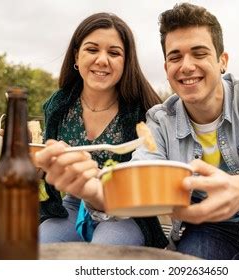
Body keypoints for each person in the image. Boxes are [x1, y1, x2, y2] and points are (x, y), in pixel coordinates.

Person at [37, 3, 239, 259]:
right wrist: (94, 191)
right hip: (206, 228)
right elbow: (139, 175)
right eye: (175, 56)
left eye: (199, 53)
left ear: (222, 61)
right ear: (166, 66)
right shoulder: (159, 120)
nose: (186, 66)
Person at [37, 12, 168, 248]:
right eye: (92, 49)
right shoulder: (58, 105)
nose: (102, 60)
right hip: (74, 204)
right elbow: (49, 179)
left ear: (126, 61)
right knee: (41, 245)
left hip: (125, 209)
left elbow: (153, 177)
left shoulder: (145, 111)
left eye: (114, 53)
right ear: (77, 56)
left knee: (102, 252)